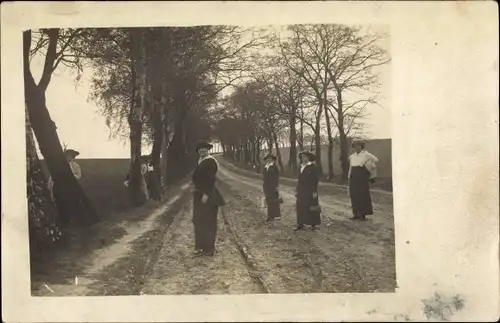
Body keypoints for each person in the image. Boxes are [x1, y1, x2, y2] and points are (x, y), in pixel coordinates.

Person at [191, 140, 226, 257]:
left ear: (208, 150)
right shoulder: (200, 161)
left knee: (208, 221)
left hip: (207, 195)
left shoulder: (210, 162)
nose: (201, 150)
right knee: (198, 220)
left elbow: (211, 180)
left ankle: (209, 248)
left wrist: (206, 194)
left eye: (204, 148)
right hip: (199, 194)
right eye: (199, 148)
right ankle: (200, 246)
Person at [48, 148, 82, 224]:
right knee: (60, 204)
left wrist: (71, 175)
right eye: (67, 155)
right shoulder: (58, 166)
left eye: (71, 156)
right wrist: (50, 187)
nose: (69, 157)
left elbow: (78, 176)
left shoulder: (76, 166)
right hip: (60, 189)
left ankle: (69, 221)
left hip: (70, 188)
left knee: (70, 204)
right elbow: (52, 178)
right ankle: (61, 220)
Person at [348, 140, 379, 220]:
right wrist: (349, 177)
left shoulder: (366, 154)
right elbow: (351, 168)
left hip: (362, 177)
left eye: (359, 145)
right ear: (353, 147)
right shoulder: (352, 156)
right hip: (353, 177)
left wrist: (368, 166)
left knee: (363, 195)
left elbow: (375, 160)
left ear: (362, 146)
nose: (357, 147)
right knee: (354, 195)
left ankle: (363, 214)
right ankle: (356, 214)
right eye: (355, 145)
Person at [295, 150, 321, 231]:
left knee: (311, 207)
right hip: (301, 190)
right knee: (300, 207)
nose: (303, 158)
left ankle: (313, 225)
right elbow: (299, 180)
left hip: (310, 190)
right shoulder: (300, 166)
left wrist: (314, 191)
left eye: (305, 156)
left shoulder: (313, 167)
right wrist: (297, 190)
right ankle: (300, 224)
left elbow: (315, 180)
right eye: (302, 156)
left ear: (309, 157)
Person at [262, 153, 282, 222]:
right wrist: (264, 187)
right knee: (268, 201)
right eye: (268, 158)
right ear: (266, 159)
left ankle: (274, 215)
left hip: (273, 186)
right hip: (267, 186)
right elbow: (264, 178)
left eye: (270, 158)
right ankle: (270, 215)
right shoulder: (265, 167)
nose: (269, 159)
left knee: (274, 201)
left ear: (272, 159)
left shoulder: (274, 167)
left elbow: (276, 177)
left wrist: (276, 186)